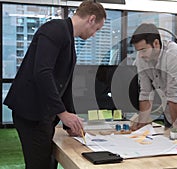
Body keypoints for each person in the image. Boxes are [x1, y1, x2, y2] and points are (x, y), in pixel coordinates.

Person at [3, 1, 106, 168]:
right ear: (91, 19)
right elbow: (42, 73)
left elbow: (64, 86)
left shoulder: (68, 38)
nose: (94, 34)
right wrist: (62, 112)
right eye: (97, 29)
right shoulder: (55, 29)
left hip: (42, 113)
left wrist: (69, 123)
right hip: (31, 113)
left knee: (48, 162)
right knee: (40, 164)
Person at [130, 23, 177, 133]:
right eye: (138, 51)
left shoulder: (174, 54)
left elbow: (173, 95)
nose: (140, 55)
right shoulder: (141, 57)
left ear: (156, 43)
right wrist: (142, 123)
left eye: (144, 50)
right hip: (170, 113)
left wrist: (176, 130)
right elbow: (145, 93)